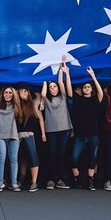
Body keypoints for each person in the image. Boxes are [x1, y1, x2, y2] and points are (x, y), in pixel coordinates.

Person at [40, 59, 72, 190]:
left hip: (64, 130)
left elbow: (61, 82)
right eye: (51, 87)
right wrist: (45, 83)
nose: (53, 89)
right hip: (51, 131)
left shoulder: (63, 97)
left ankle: (59, 179)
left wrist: (61, 68)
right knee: (51, 155)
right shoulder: (47, 100)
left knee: (61, 155)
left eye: (54, 87)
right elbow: (43, 94)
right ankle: (50, 180)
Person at [70, 66, 103, 191]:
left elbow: (100, 93)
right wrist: (67, 73)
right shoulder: (78, 100)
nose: (86, 88)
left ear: (91, 89)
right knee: (74, 158)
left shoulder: (95, 100)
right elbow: (68, 90)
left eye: (89, 87)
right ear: (82, 89)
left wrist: (93, 77)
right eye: (85, 87)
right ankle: (77, 179)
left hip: (93, 135)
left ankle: (91, 181)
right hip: (80, 135)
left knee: (92, 159)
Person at [16, 85, 45, 192]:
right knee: (22, 157)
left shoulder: (33, 105)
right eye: (21, 92)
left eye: (25, 92)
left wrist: (43, 134)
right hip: (19, 135)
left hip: (31, 135)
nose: (23, 94)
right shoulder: (17, 106)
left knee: (33, 157)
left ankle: (34, 182)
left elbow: (41, 119)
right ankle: (22, 179)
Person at [0, 86, 21, 192]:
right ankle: (0, 182)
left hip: (13, 135)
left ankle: (14, 183)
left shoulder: (17, 107)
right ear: (2, 94)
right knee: (1, 158)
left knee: (13, 159)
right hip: (0, 136)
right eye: (6, 92)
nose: (8, 95)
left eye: (10, 93)